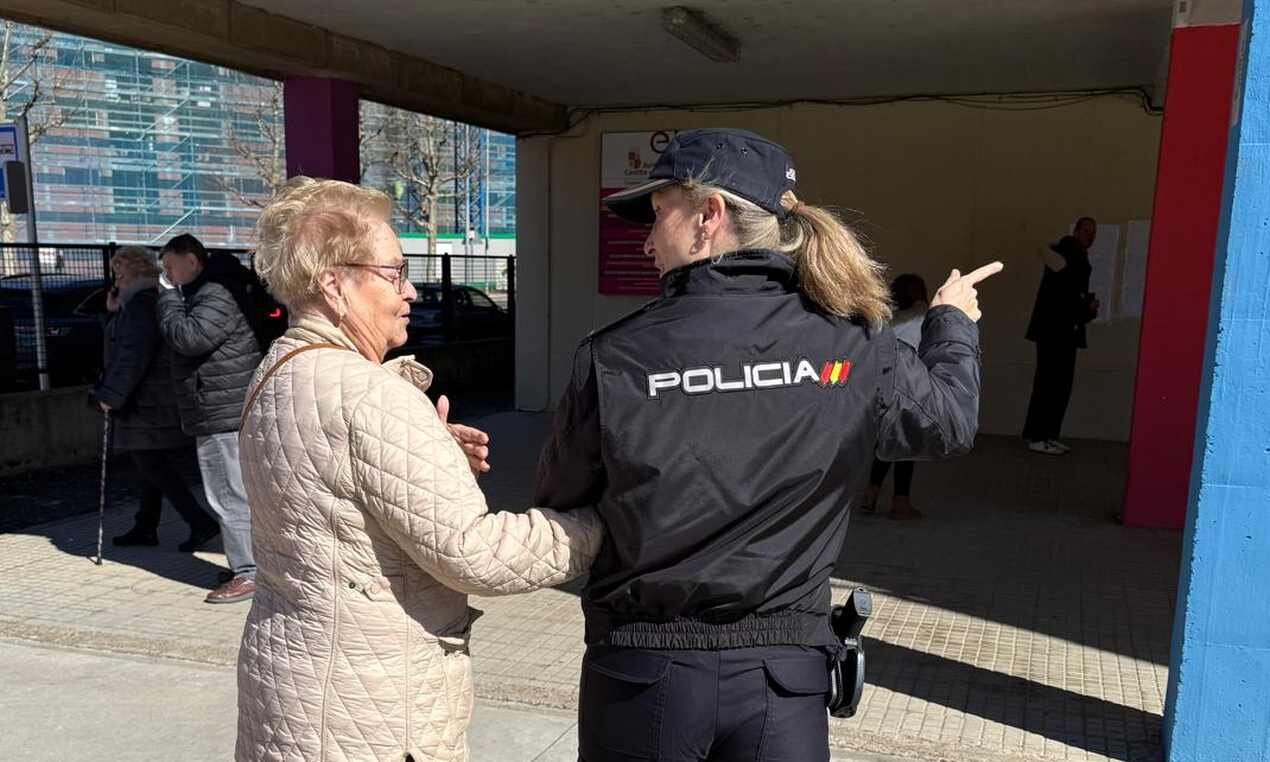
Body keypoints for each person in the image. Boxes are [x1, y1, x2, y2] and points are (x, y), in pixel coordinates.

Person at [535, 128, 1000, 761]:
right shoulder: (856, 344)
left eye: (658, 214)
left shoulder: (616, 355)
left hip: (643, 676)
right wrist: (952, 323)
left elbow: (561, 496)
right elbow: (947, 423)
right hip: (784, 686)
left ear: (709, 215)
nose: (645, 241)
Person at [235, 176, 604, 762]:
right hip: (373, 708)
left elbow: (331, 499)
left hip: (295, 687)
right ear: (333, 283)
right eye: (395, 273)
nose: (409, 291)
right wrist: (599, 525)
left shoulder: (278, 372)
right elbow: (475, 555)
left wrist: (429, 457)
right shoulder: (369, 395)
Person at [155, 233, 261, 603]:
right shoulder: (214, 290)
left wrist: (167, 294)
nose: (166, 275)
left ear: (191, 260)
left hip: (222, 410)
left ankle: (249, 573)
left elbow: (188, 338)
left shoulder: (214, 294)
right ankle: (251, 566)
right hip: (222, 406)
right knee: (235, 491)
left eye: (170, 267)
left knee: (228, 493)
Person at [92, 245, 219, 549]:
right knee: (149, 463)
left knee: (151, 463)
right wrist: (113, 310)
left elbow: (132, 355)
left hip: (147, 399)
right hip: (150, 396)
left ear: (138, 271)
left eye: (122, 271)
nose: (116, 277)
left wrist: (111, 396)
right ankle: (146, 526)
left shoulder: (141, 304)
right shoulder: (139, 302)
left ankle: (198, 522)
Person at [1022, 217, 1100, 455]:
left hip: (1061, 331)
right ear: (1076, 231)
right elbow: (1066, 294)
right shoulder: (1069, 253)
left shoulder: (1072, 254)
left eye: (1093, 232)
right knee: (1051, 384)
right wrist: (1087, 308)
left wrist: (1086, 309)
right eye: (1086, 231)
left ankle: (1046, 435)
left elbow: (1069, 294)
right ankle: (1039, 437)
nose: (1090, 236)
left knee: (1057, 385)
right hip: (1056, 332)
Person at [861, 273, 929, 520]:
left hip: (884, 387)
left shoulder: (887, 318)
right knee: (907, 448)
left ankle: (870, 494)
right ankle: (901, 502)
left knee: (885, 444)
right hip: (910, 388)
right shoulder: (924, 317)